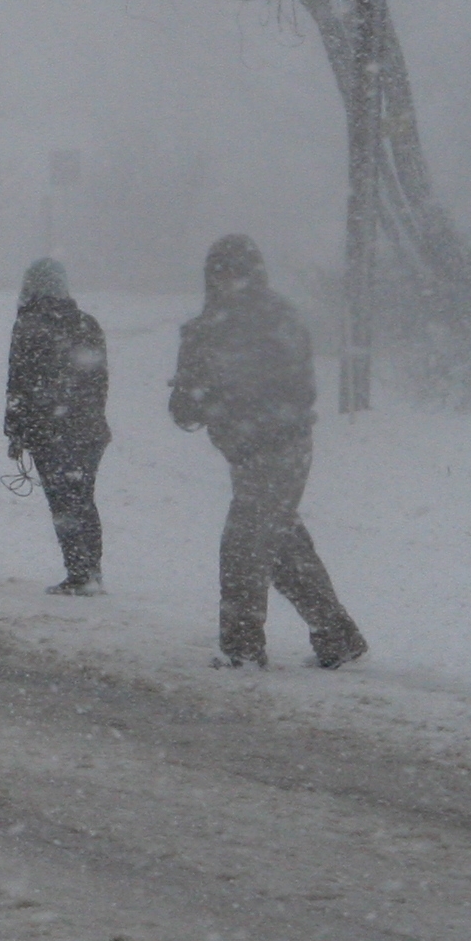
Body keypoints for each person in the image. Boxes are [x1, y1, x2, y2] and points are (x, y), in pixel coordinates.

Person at [167, 233, 366, 672]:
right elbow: (186, 405)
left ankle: (242, 650)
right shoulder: (220, 326)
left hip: (276, 451)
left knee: (243, 547)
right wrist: (200, 394)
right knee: (278, 546)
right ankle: (337, 637)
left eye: (233, 271)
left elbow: (297, 392)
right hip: (258, 452)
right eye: (221, 272)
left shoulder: (265, 321)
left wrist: (230, 407)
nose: (228, 281)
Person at [3, 257, 112, 594]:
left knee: (64, 504)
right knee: (83, 499)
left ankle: (80, 575)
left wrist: (16, 432)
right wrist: (88, 418)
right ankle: (91, 571)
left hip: (49, 431)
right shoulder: (87, 324)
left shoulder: (30, 326)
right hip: (88, 431)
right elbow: (99, 382)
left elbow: (18, 385)